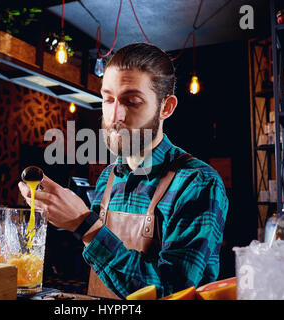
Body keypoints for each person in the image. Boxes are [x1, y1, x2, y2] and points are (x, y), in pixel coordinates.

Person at [18, 43, 229, 299]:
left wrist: (84, 225)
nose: (114, 115)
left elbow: (173, 292)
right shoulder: (108, 177)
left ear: (166, 107)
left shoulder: (197, 182)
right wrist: (62, 214)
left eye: (131, 101)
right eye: (108, 99)